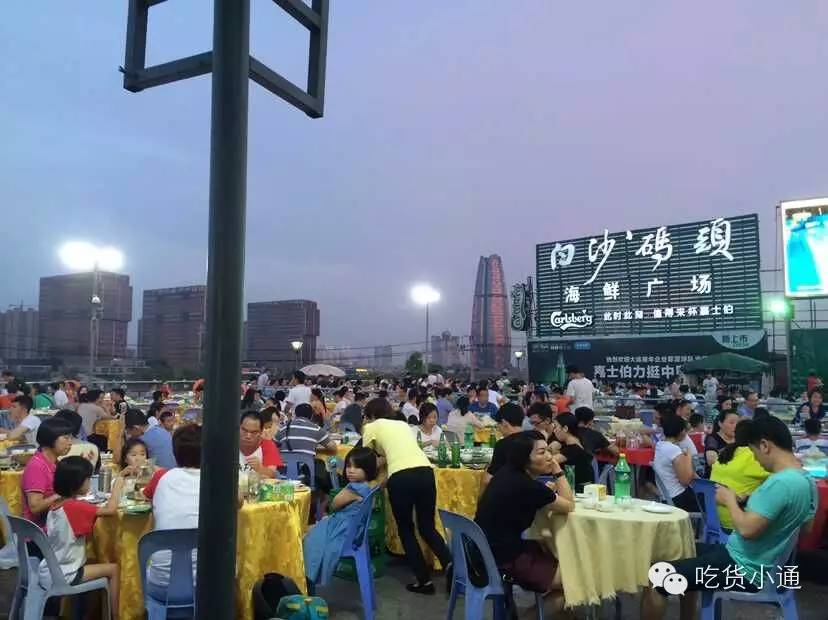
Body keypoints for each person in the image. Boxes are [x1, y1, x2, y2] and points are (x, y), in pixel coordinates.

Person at [643, 416, 818, 620]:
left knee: (657, 576)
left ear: (765, 446)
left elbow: (747, 530)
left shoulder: (779, 484)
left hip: (742, 570)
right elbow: (806, 528)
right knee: (683, 549)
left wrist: (729, 500)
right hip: (755, 562)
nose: (757, 460)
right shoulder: (807, 481)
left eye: (754, 453)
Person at [361, 397, 451, 594]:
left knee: (406, 530)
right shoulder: (402, 425)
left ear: (371, 415)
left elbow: (365, 460)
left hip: (401, 478)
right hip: (426, 472)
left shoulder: (371, 427)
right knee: (427, 527)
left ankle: (423, 581)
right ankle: (451, 565)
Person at [476, 431, 573, 600]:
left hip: (482, 552)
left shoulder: (506, 473)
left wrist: (544, 493)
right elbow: (569, 505)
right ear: (524, 459)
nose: (550, 457)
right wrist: (557, 470)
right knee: (576, 584)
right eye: (542, 453)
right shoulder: (528, 486)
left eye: (549, 451)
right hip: (504, 559)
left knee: (547, 549)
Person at [40, 456, 123, 617]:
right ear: (77, 483)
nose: (89, 482)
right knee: (114, 569)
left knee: (92, 559)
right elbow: (112, 510)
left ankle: (87, 612)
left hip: (48, 570)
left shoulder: (55, 505)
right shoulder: (76, 507)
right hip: (65, 574)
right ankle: (115, 615)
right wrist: (117, 487)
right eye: (88, 479)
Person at [303, 447, 377, 585]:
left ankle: (306, 579)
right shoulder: (367, 487)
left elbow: (335, 504)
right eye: (349, 466)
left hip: (341, 530)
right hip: (353, 531)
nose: (351, 470)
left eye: (357, 467)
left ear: (368, 469)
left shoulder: (354, 488)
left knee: (305, 536)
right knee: (311, 530)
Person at [147, 425, 203, 598]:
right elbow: (238, 501)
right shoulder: (217, 479)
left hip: (161, 583)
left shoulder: (162, 478)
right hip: (210, 583)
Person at [710, 420, 769, 531]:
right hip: (737, 521)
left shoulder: (724, 453)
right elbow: (782, 474)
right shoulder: (753, 456)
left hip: (715, 518)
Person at [22, 417, 75, 529]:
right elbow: (35, 507)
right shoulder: (37, 467)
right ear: (50, 438)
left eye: (71, 438)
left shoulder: (54, 462)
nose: (70, 442)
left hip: (55, 524)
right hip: (40, 534)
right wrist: (61, 494)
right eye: (66, 438)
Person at [652, 415, 699, 512]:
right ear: (682, 432)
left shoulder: (660, 445)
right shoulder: (674, 450)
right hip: (678, 498)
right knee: (711, 500)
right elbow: (686, 480)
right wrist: (689, 456)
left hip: (667, 496)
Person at [483, 403, 527, 485]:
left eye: (498, 425)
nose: (498, 428)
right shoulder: (533, 439)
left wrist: (487, 467)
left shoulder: (503, 444)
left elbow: (488, 480)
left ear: (504, 422)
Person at [549, 413, 594, 491]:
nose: (554, 431)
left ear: (565, 428)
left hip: (579, 491)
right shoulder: (578, 442)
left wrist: (546, 437)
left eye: (556, 427)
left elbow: (548, 462)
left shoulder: (573, 449)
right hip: (576, 487)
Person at [239, 410, 283, 479]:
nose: (248, 436)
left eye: (254, 432)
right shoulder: (229, 443)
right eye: (244, 430)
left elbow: (272, 475)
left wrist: (260, 468)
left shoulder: (268, 446)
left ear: (261, 431)